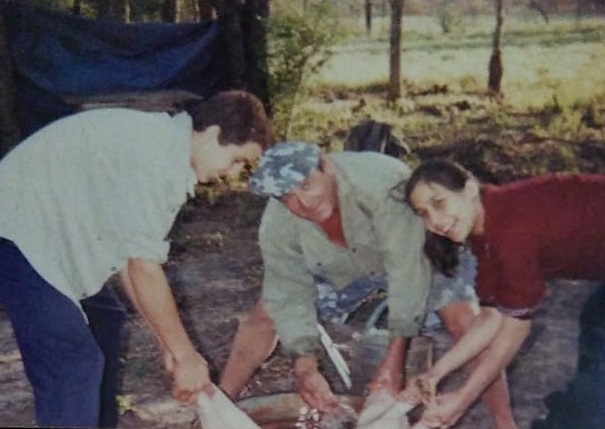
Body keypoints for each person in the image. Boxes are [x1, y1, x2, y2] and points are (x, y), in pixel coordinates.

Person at [0, 90, 272, 428]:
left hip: (44, 237)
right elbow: (144, 269)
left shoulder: (167, 150)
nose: (233, 174)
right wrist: (185, 355)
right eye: (237, 161)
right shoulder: (158, 160)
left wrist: (171, 348)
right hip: (15, 232)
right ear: (213, 134)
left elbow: (130, 263)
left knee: (105, 319)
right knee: (74, 360)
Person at [218, 141, 517, 429]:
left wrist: (393, 363)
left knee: (465, 320)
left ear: (326, 166)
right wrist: (305, 366)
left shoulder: (382, 183)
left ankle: (505, 423)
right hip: (343, 267)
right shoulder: (277, 224)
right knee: (265, 314)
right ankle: (219, 407)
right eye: (288, 197)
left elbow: (407, 271)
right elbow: (287, 294)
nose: (303, 202)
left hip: (416, 253)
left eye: (307, 185)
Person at [402, 159, 605, 429]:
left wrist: (462, 400)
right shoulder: (486, 230)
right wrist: (434, 374)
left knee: (595, 390)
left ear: (470, 189)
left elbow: (514, 329)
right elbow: (492, 315)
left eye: (439, 204)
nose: (434, 222)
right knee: (595, 330)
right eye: (424, 214)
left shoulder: (511, 231)